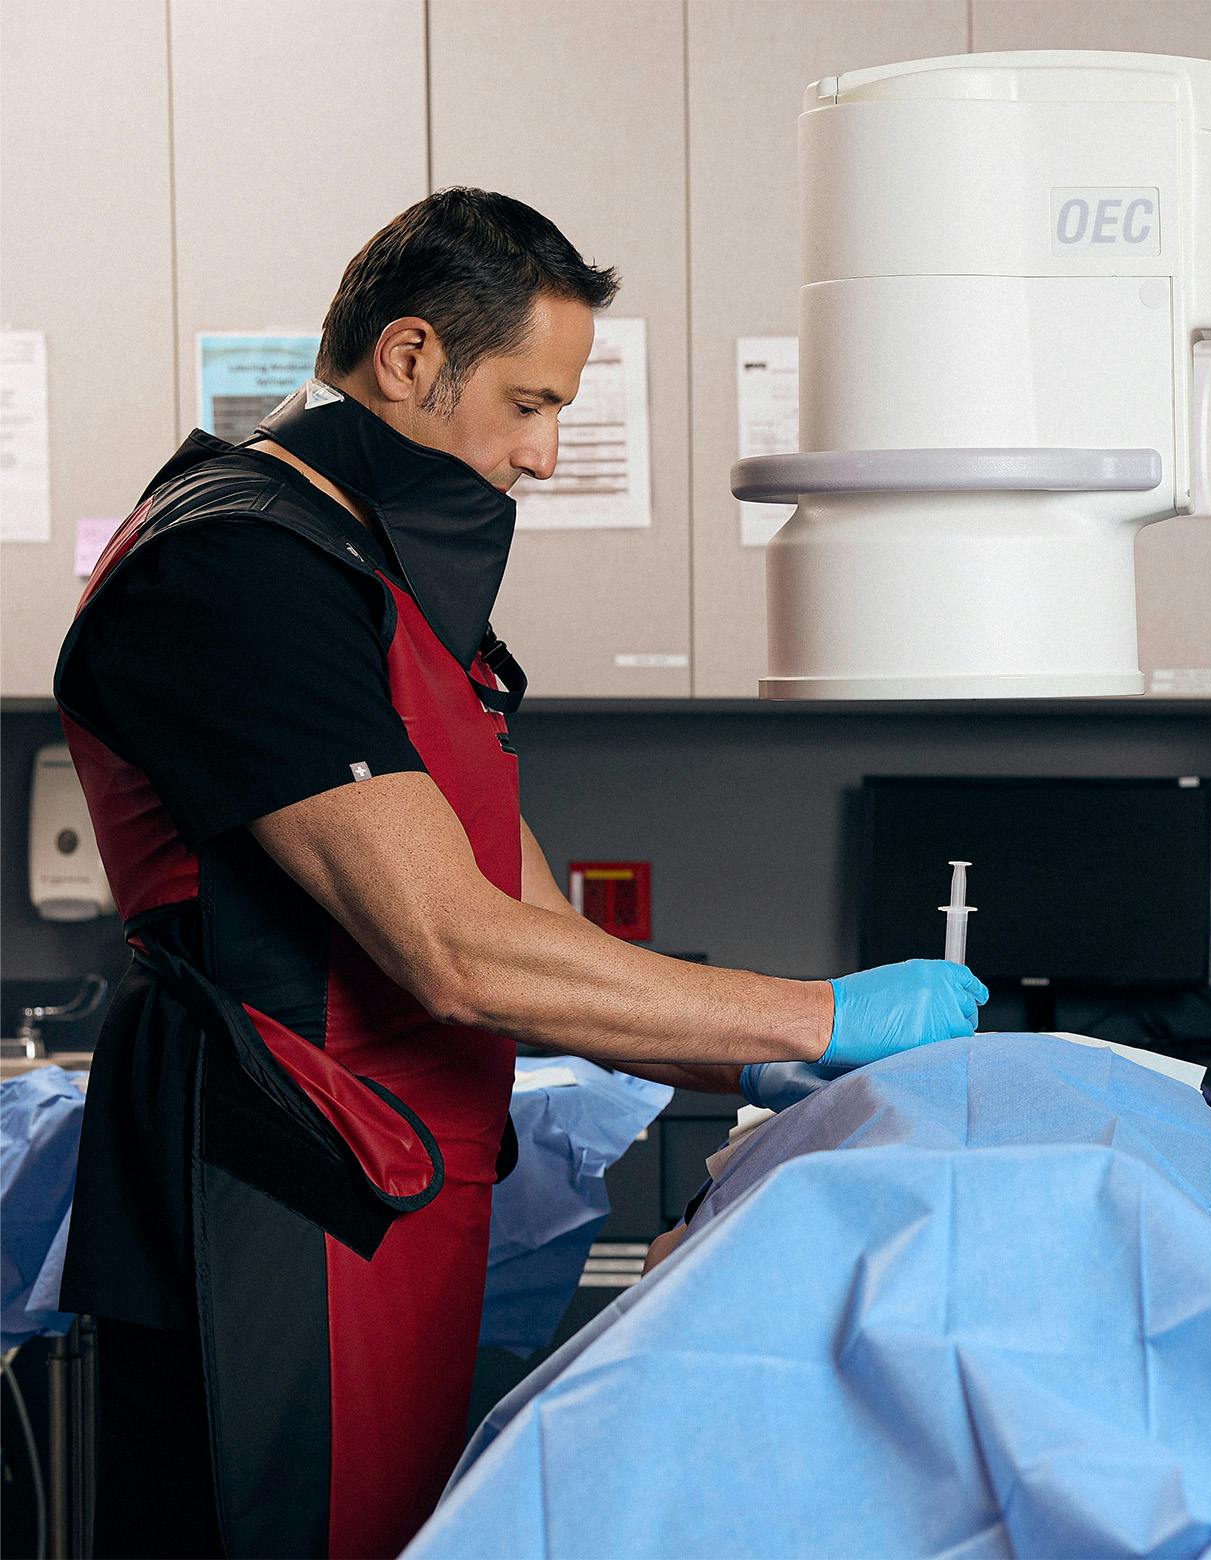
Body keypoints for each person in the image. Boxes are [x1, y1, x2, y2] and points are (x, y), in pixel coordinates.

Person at [53, 187, 987, 1560]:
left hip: (392, 1185)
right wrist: (824, 1014)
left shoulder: (366, 580)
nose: (546, 457)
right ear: (413, 357)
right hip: (274, 1188)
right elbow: (455, 949)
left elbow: (528, 921)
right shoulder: (239, 572)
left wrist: (752, 1069)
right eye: (530, 403)